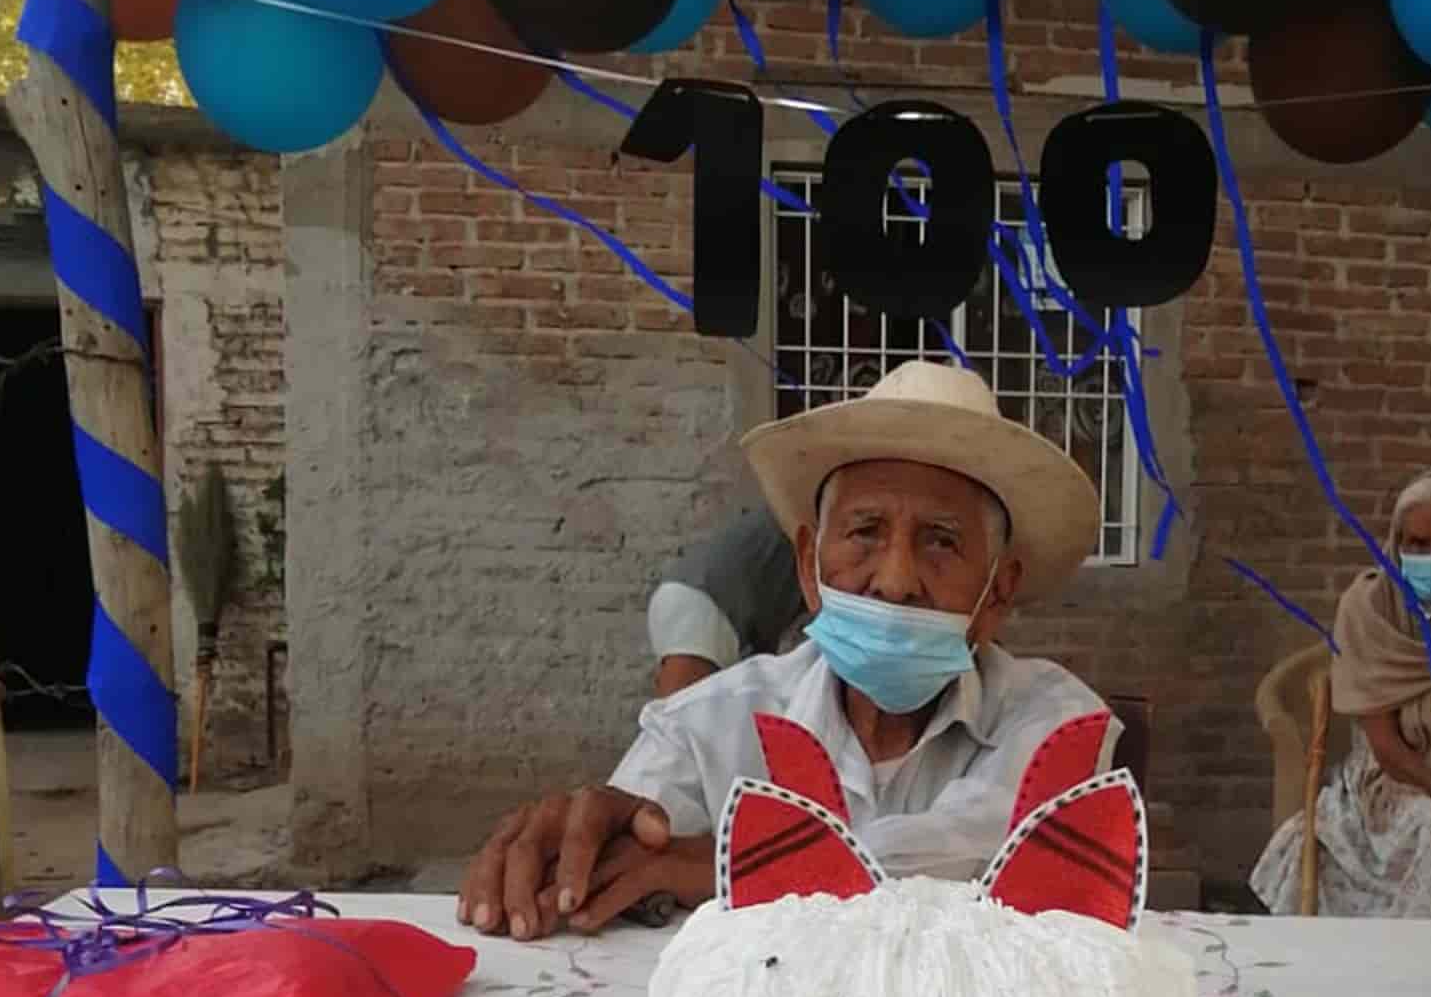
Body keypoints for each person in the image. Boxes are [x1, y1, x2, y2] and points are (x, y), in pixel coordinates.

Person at [460, 361, 1114, 941]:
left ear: (997, 592)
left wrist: (721, 862)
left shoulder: (1060, 725)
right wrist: (580, 853)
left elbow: (989, 856)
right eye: (865, 532)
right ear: (808, 566)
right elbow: (631, 859)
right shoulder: (708, 724)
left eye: (941, 541)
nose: (893, 579)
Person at [1251, 469, 1431, 919]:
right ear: (1397, 545)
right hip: (1401, 783)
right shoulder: (1371, 609)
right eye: (1417, 544)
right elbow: (1386, 748)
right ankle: (1406, 962)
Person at [647, 506, 808, 698]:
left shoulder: (788, 515)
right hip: (702, 603)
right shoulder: (804, 517)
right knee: (686, 712)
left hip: (690, 595)